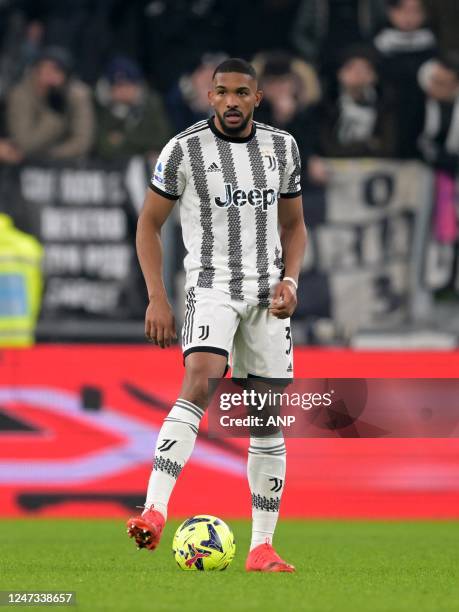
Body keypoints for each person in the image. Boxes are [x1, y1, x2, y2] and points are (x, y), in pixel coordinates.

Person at [127, 58, 307, 572]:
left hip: (268, 295)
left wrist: (291, 279)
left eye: (241, 93)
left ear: (257, 97)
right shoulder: (183, 149)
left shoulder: (282, 147)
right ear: (210, 97)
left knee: (266, 413)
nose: (231, 101)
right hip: (210, 287)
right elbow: (148, 225)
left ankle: (261, 547)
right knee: (201, 379)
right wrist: (157, 296)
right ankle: (155, 510)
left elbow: (295, 225)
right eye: (222, 92)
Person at [6, 46, 94, 160]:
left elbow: (83, 141)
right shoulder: (21, 94)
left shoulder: (77, 95)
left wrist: (51, 154)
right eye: (45, 68)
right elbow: (24, 143)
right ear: (36, 69)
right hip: (25, 160)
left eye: (56, 70)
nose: (50, 74)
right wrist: (53, 119)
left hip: (63, 160)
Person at [94, 56, 171, 161]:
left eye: (128, 85)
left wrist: (124, 139)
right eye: (118, 86)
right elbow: (103, 147)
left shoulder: (151, 104)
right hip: (113, 168)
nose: (124, 91)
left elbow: (161, 139)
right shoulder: (102, 107)